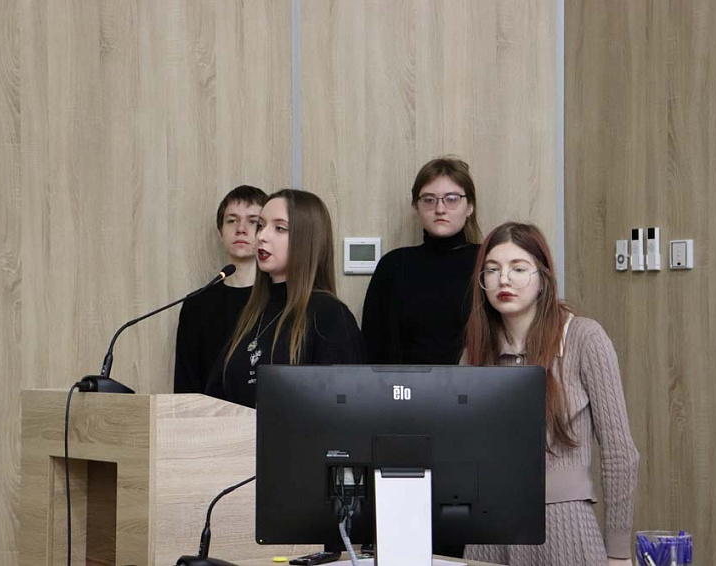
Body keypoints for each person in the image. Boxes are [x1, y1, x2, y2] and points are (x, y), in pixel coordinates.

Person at [462, 222, 639, 566]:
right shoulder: (475, 351)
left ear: (543, 278)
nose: (504, 280)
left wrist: (618, 553)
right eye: (492, 270)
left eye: (518, 269)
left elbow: (620, 453)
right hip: (488, 528)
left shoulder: (584, 338)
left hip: (564, 525)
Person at [205, 189, 365, 408]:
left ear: (307, 240)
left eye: (279, 228)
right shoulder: (252, 312)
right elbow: (216, 394)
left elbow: (343, 407)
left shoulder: (329, 314)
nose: (261, 236)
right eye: (260, 226)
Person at [361, 156, 483, 365]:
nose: (440, 209)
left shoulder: (487, 262)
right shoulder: (393, 265)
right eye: (429, 199)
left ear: (469, 206)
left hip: (474, 383)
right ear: (416, 206)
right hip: (402, 384)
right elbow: (372, 347)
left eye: (451, 199)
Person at [174, 185, 267, 393]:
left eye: (253, 221)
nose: (241, 229)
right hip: (210, 413)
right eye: (232, 220)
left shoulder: (283, 298)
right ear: (220, 233)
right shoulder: (196, 305)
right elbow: (185, 389)